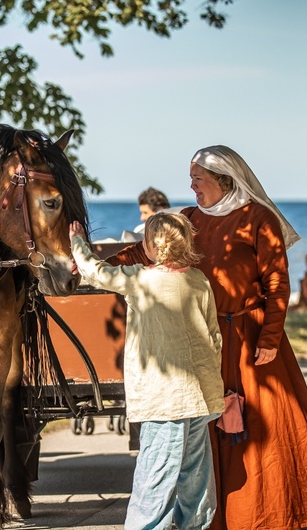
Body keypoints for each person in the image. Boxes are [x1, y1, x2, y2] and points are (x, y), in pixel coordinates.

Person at [106, 145, 307, 530]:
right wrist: (104, 263)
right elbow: (146, 250)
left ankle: (265, 516)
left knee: (260, 431)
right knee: (204, 434)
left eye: (197, 179)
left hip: (250, 337)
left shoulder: (258, 218)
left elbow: (276, 283)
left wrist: (269, 337)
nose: (191, 186)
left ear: (223, 180)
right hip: (203, 338)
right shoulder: (187, 218)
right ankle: (210, 520)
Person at [70, 212, 223, 530]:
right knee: (195, 473)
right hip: (199, 396)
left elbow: (96, 273)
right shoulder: (198, 281)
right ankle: (195, 525)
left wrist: (78, 242)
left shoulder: (141, 280)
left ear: (153, 246)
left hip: (162, 397)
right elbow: (214, 337)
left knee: (156, 473)